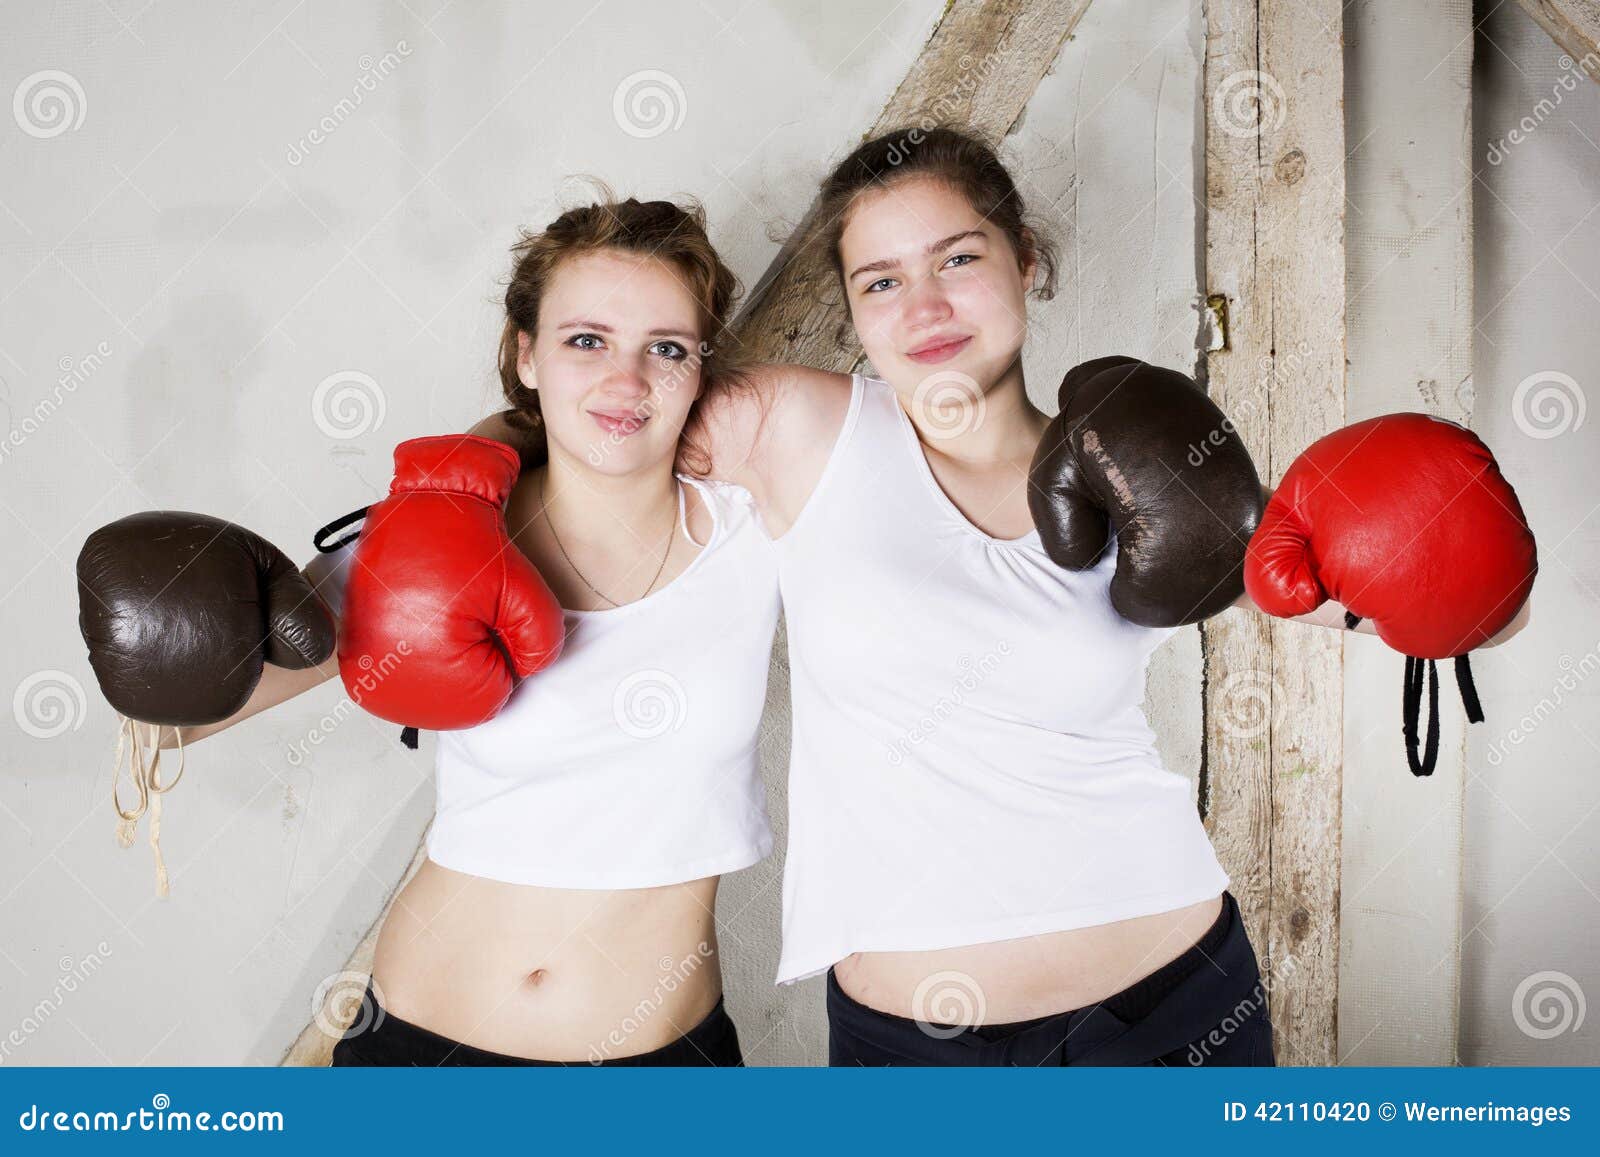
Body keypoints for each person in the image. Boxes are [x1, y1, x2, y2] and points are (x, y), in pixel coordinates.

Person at [471, 127, 1530, 1066]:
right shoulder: (796, 429)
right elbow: (590, 408)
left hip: (1172, 1001)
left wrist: (1436, 540)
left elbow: (1431, 607)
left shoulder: (1140, 455)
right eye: (880, 281)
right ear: (852, 308)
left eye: (958, 258)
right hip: (915, 1049)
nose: (924, 306)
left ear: (1026, 259)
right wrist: (447, 489)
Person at [84, 195, 779, 1066]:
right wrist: (173, 621)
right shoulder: (427, 541)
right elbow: (171, 722)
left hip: (657, 1064)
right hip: (418, 1047)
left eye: (666, 348)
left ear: (703, 365)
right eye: (586, 340)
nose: (626, 379)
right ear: (526, 355)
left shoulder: (760, 530)